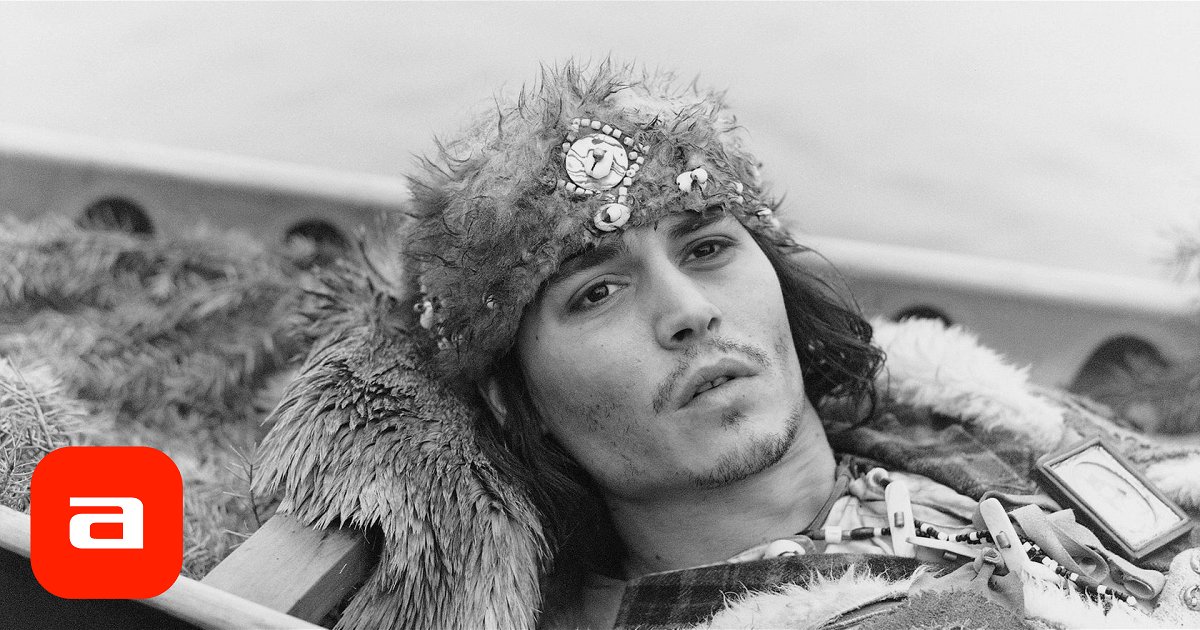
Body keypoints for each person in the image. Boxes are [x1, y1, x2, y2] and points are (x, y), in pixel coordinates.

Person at [256, 61, 1200, 629]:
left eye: (707, 249)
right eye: (595, 293)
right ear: (518, 401)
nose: (688, 313)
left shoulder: (961, 416)